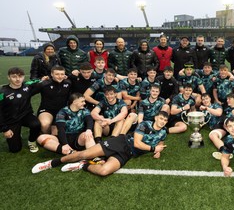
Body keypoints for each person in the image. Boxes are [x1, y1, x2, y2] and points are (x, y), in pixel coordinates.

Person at [32, 111, 169, 177]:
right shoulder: (145, 124)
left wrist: (159, 150)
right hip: (120, 142)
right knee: (84, 153)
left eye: (165, 120)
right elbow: (138, 143)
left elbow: (161, 141)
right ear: (156, 117)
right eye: (161, 118)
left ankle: (84, 165)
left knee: (104, 171)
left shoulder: (163, 132)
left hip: (128, 153)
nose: (162, 121)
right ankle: (52, 163)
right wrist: (153, 149)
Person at [0, 67, 41, 153]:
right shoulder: (2, 92)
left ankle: (31, 141)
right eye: (14, 76)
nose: (18, 79)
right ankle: (17, 133)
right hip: (11, 120)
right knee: (15, 149)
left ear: (23, 77)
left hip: (26, 115)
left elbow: (37, 81)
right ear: (9, 77)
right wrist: (5, 129)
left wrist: (44, 78)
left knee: (36, 124)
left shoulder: (27, 86)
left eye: (20, 76)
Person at [35, 66, 72, 135]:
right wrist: (39, 81)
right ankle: (44, 133)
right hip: (46, 110)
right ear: (52, 74)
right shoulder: (44, 84)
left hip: (62, 110)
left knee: (58, 133)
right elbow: (28, 91)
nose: (60, 76)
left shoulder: (68, 83)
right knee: (45, 125)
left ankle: (53, 129)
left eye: (62, 74)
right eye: (57, 74)